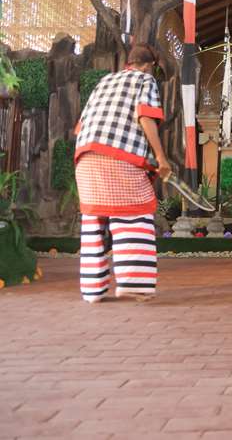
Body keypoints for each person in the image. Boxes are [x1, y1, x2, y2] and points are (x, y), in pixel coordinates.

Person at [74, 44, 171, 303]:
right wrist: (161, 158)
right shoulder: (145, 80)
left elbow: (82, 126)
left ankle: (93, 290)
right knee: (134, 215)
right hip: (118, 161)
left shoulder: (104, 82)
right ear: (150, 65)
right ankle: (135, 284)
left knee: (93, 222)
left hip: (85, 159)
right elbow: (145, 118)